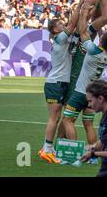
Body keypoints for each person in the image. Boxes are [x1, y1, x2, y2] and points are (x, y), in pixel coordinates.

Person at [62, 5, 107, 155]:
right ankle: (92, 155)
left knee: (67, 120)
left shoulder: (92, 50)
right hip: (94, 95)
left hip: (81, 92)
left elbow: (83, 32)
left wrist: (84, 14)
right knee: (88, 124)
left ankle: (72, 152)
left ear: (100, 41)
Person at [39, 17, 76, 164]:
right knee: (54, 117)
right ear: (55, 29)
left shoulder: (65, 38)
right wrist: (81, 5)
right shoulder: (60, 38)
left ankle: (47, 147)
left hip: (62, 83)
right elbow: (73, 23)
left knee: (59, 117)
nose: (64, 24)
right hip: (55, 83)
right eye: (60, 23)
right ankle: (47, 149)